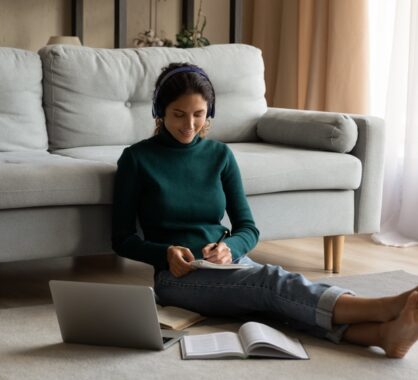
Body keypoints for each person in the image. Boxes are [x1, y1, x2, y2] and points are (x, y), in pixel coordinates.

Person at [112, 62, 418, 359]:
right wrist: (165, 253)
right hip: (176, 279)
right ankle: (383, 307)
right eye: (178, 114)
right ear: (159, 111)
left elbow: (248, 228)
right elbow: (122, 238)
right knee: (271, 282)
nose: (189, 125)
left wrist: (229, 248)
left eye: (199, 114)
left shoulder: (220, 155)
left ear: (210, 113)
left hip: (229, 264)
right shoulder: (137, 160)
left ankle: (382, 337)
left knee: (278, 306)